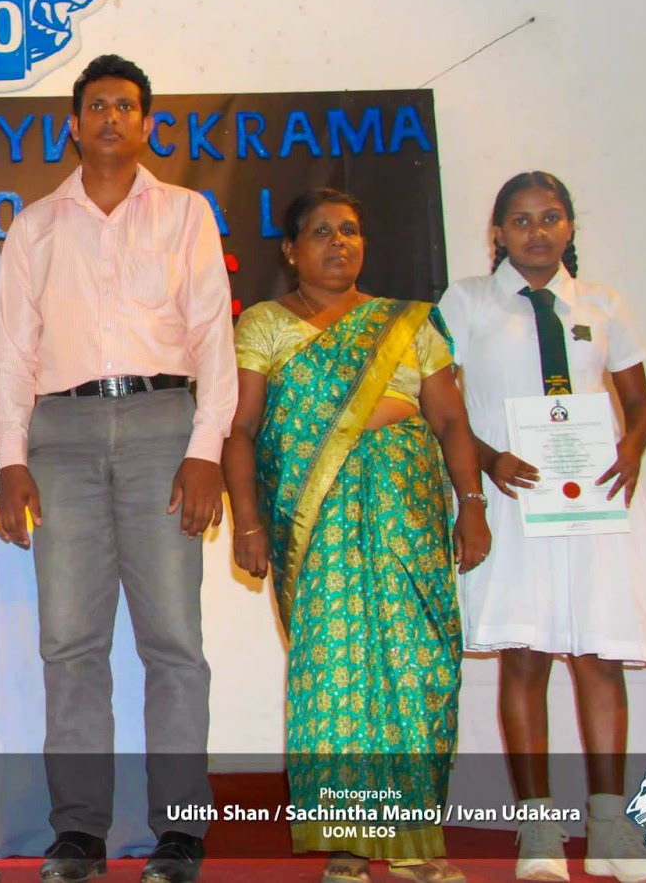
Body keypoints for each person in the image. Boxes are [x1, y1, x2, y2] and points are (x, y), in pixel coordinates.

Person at [0, 53, 236, 883]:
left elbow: (213, 337)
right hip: (59, 434)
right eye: (96, 106)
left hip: (163, 428)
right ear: (74, 122)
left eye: (125, 106)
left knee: (174, 641)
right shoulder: (35, 226)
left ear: (146, 123)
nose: (110, 118)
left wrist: (205, 449)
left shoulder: (186, 212)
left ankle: (181, 831)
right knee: (69, 641)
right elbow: (13, 352)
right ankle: (79, 832)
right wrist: (12, 458)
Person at [224, 188, 490, 883]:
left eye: (349, 230)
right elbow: (242, 429)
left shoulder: (410, 322)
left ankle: (415, 842)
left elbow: (451, 421)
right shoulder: (265, 324)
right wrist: (247, 520)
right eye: (321, 232)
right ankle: (348, 841)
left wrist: (472, 504)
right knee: (333, 676)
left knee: (418, 667)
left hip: (408, 518)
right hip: (316, 529)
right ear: (290, 250)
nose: (339, 242)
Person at [439, 172, 646, 883]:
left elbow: (641, 404)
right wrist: (487, 460)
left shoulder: (601, 303)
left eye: (551, 217)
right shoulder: (467, 301)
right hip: (516, 496)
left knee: (598, 655)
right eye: (521, 220)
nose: (537, 231)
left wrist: (632, 449)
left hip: (593, 499)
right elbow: (442, 405)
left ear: (570, 227)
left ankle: (611, 828)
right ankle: (539, 832)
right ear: (497, 233)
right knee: (526, 656)